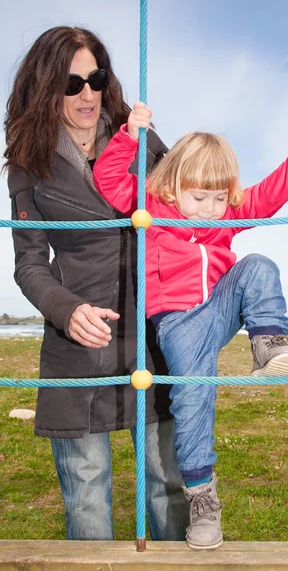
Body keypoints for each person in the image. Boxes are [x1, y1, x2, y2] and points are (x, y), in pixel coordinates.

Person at [93, 102, 288, 550]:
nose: (210, 209)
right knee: (196, 394)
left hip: (217, 312)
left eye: (220, 199)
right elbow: (108, 181)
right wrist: (127, 136)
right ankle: (202, 499)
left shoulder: (224, 219)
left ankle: (268, 342)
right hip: (177, 323)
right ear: (174, 186)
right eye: (200, 197)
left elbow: (267, 196)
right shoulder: (153, 208)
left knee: (257, 265)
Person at [3, 27, 189, 541]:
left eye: (96, 78)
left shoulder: (141, 137)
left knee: (166, 483)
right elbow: (30, 264)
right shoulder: (27, 162)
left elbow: (192, 191)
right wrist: (67, 310)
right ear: (45, 88)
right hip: (76, 342)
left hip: (151, 329)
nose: (87, 93)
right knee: (86, 495)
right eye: (71, 83)